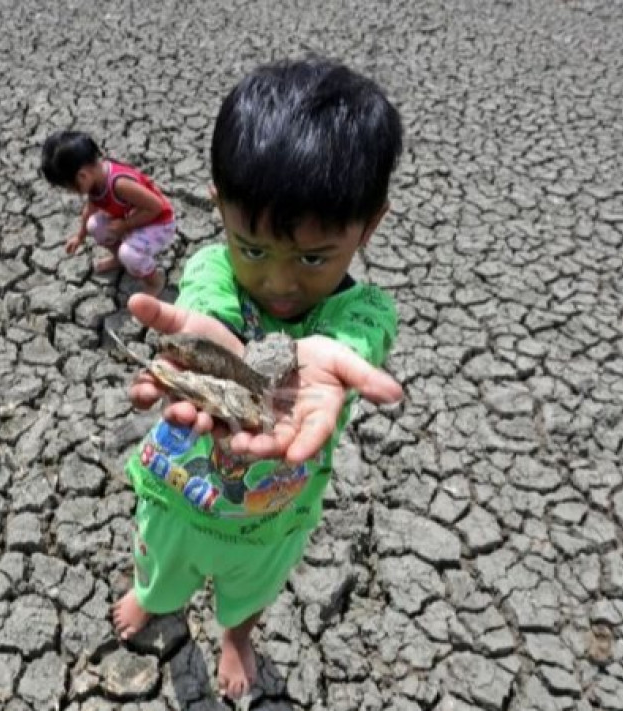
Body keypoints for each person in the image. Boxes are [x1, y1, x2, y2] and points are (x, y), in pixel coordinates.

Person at [113, 58, 406, 700]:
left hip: (273, 516)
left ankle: (236, 634)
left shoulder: (359, 315)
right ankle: (152, 596)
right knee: (159, 566)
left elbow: (361, 338)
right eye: (252, 246)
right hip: (178, 493)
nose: (278, 282)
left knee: (250, 592)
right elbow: (206, 301)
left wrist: (324, 355)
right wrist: (215, 348)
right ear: (219, 208)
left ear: (369, 225)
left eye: (311, 256)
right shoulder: (213, 271)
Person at [39, 130, 177, 295]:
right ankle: (119, 259)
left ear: (82, 176)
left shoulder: (119, 184)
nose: (71, 193)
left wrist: (126, 225)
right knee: (94, 225)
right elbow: (88, 212)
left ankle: (154, 282)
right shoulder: (94, 183)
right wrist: (80, 236)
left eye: (69, 188)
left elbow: (157, 206)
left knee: (130, 253)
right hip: (132, 218)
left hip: (159, 223)